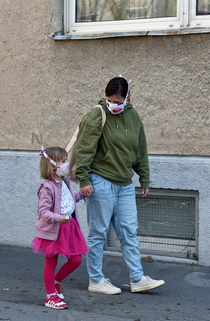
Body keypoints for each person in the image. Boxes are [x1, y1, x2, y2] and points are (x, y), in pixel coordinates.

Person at [75, 76, 165, 294]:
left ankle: (137, 279)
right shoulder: (97, 115)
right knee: (98, 233)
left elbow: (140, 148)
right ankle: (96, 280)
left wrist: (144, 177)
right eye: (111, 100)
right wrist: (84, 179)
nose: (114, 105)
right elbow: (84, 149)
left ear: (128, 98)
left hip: (125, 184)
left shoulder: (133, 116)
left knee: (129, 231)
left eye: (118, 101)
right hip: (100, 181)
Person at [31, 146, 89, 309]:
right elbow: (44, 212)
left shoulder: (64, 181)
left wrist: (81, 194)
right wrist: (59, 218)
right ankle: (50, 296)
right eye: (62, 161)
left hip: (69, 227)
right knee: (51, 262)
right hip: (54, 229)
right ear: (52, 165)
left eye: (65, 160)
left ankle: (56, 282)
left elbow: (67, 201)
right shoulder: (47, 188)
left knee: (76, 259)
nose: (66, 163)